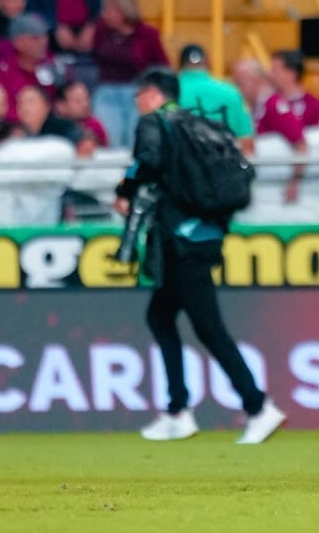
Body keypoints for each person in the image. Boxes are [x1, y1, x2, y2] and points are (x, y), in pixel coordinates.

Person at [115, 68, 284, 444]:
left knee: (208, 327)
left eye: (140, 96)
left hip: (181, 238)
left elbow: (147, 160)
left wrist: (124, 190)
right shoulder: (197, 124)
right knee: (160, 316)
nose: (138, 103)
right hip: (205, 231)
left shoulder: (154, 123)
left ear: (153, 95)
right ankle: (178, 409)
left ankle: (257, 406)